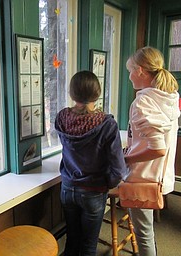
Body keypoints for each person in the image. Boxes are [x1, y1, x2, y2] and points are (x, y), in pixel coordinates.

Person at [55, 70, 128, 256]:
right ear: (97, 93)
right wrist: (107, 184)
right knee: (88, 247)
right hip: (93, 191)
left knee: (72, 241)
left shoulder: (62, 117)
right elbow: (119, 170)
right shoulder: (106, 124)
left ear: (72, 94)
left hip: (67, 188)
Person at [124, 46, 181, 256]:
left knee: (143, 234)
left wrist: (127, 157)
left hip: (144, 176)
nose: (129, 77)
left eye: (130, 71)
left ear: (140, 71)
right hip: (159, 175)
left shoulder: (143, 101)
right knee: (147, 231)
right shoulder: (169, 96)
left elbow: (157, 148)